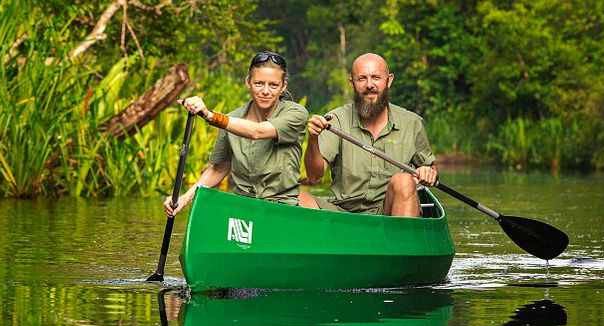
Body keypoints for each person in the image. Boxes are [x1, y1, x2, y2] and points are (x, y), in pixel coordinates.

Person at [164, 51, 309, 217]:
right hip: (243, 206)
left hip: (282, 207)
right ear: (248, 82)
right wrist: (184, 198)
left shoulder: (296, 113)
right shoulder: (232, 118)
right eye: (259, 83)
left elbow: (257, 131)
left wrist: (210, 116)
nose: (266, 91)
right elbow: (219, 168)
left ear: (283, 87)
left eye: (274, 85)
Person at [302, 53, 439, 217]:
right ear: (352, 83)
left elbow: (431, 167)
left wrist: (429, 172)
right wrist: (313, 139)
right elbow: (313, 175)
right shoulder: (336, 120)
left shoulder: (412, 123)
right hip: (343, 213)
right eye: (362, 79)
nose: (369, 85)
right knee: (290, 193)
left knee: (403, 181)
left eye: (376, 77)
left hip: (390, 213)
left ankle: (401, 239)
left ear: (389, 81)